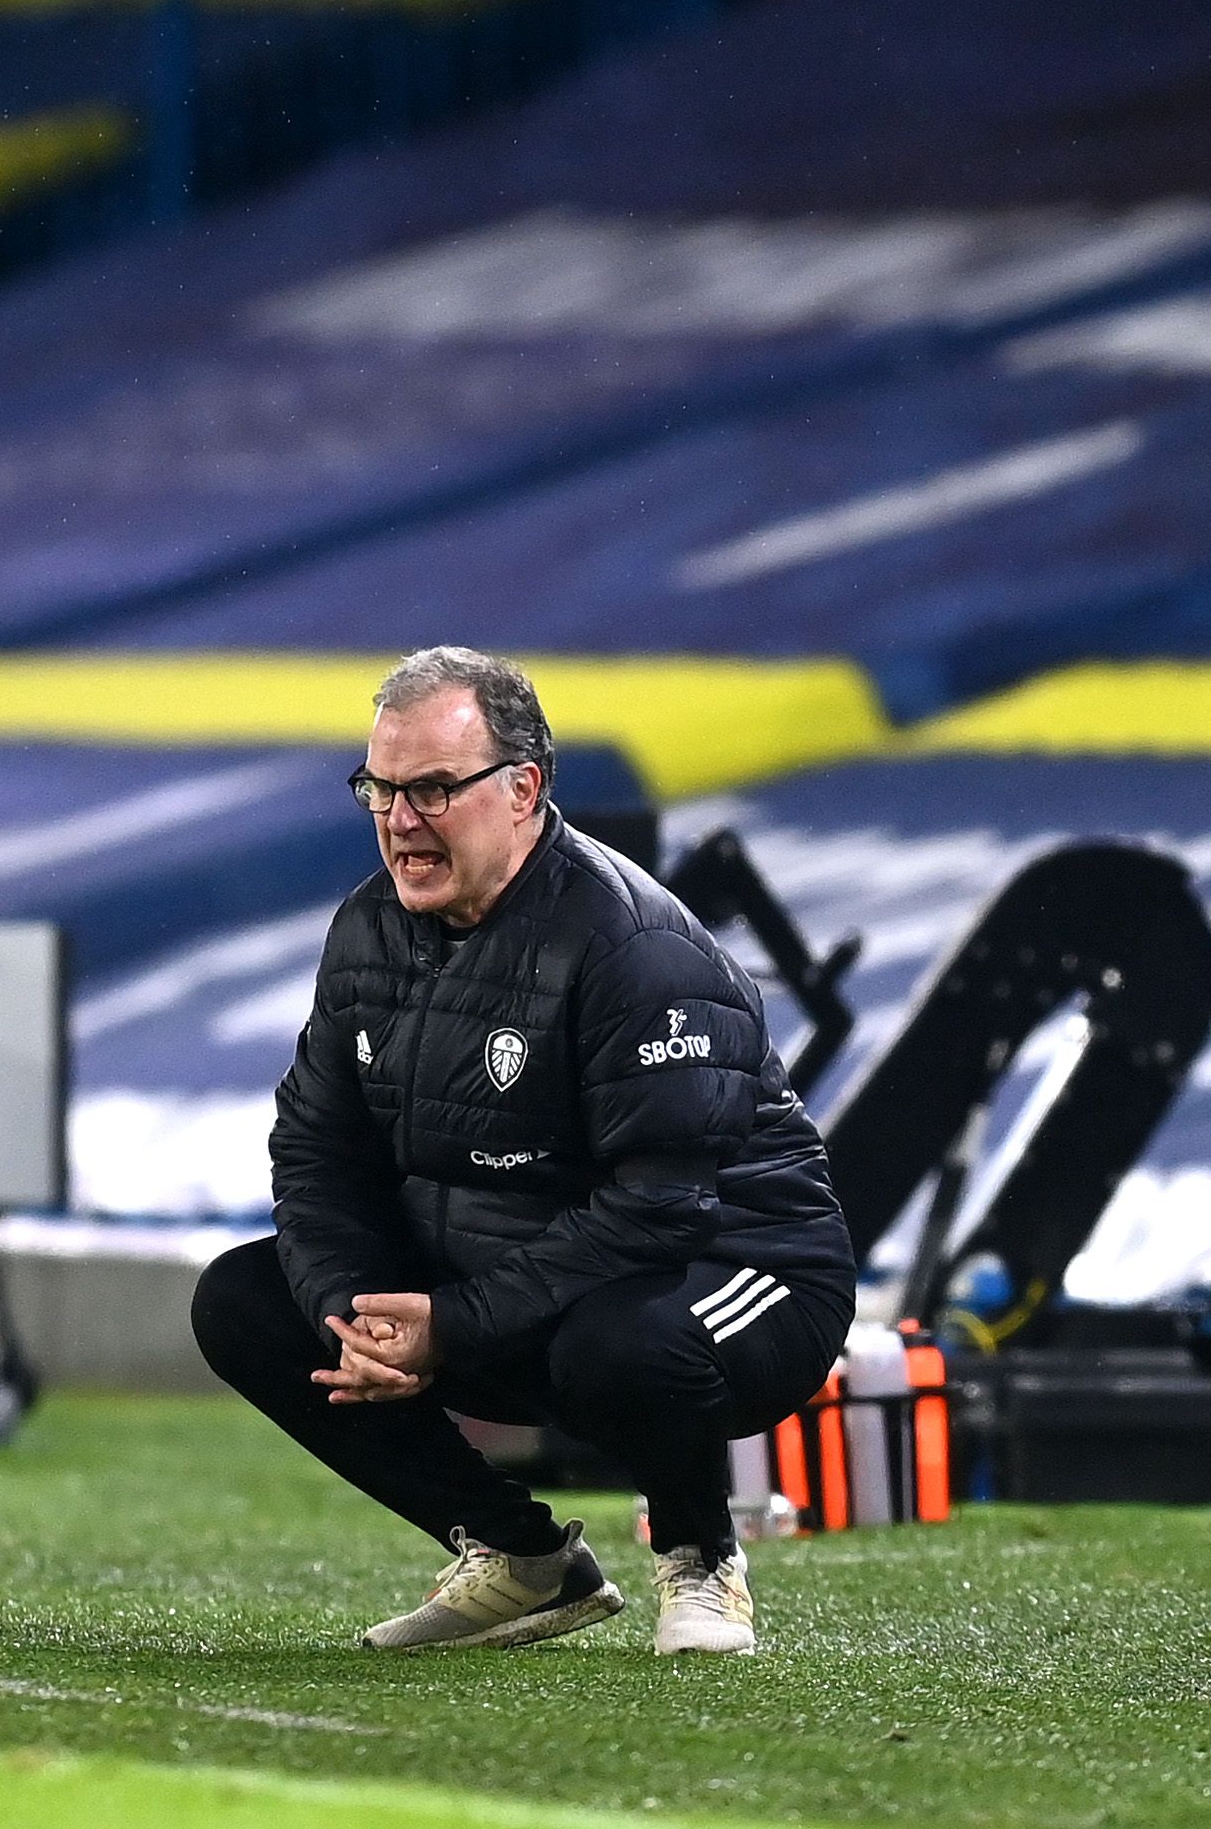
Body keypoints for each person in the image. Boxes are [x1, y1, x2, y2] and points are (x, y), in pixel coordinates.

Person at [187, 647, 853, 1656]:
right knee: (244, 1301)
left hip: (743, 1268)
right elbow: (317, 1152)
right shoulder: (366, 930)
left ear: (524, 789)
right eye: (380, 788)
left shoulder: (632, 943)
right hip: (522, 1288)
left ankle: (700, 1554)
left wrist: (451, 1322)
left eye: (433, 790)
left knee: (619, 1341)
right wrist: (358, 1308)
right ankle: (518, 1556)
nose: (400, 821)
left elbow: (661, 1207)